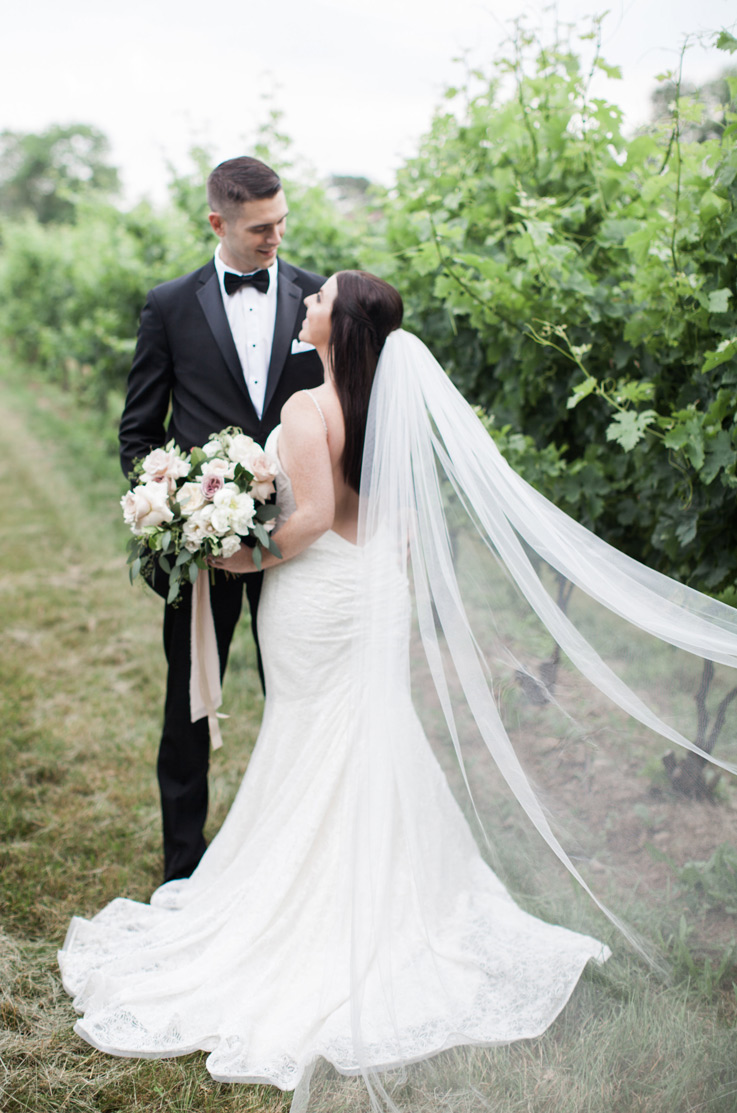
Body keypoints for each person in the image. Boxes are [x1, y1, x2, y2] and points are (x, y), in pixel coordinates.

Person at [61, 272, 737, 1111]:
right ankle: (391, 897)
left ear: (336, 324)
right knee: (367, 730)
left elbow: (304, 524)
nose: (305, 300)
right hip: (371, 585)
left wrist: (232, 555)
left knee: (313, 732)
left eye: (320, 298)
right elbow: (399, 522)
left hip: (317, 593)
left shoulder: (309, 406)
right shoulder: (385, 399)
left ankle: (314, 907)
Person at [118, 156, 324, 883]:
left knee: (297, 692)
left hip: (299, 542)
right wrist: (174, 510)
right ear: (218, 222)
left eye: (281, 224)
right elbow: (138, 431)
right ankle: (182, 866)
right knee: (190, 702)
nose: (275, 239)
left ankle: (294, 857)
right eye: (260, 228)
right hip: (203, 549)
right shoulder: (171, 304)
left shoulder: (313, 294)